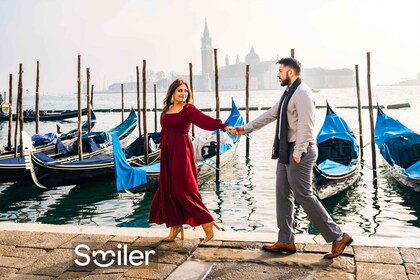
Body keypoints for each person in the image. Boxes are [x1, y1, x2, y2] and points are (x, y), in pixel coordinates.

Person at [230, 57, 353, 259]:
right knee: (282, 193)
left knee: (304, 195)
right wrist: (244, 129)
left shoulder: (303, 93)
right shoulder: (289, 93)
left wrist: (298, 151)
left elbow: (307, 124)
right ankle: (286, 240)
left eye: (281, 70)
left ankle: (338, 236)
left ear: (291, 72)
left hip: (300, 152)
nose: (277, 74)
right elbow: (271, 114)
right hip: (287, 151)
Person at [148, 78, 230, 243]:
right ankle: (175, 227)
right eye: (180, 90)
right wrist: (161, 148)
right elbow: (164, 130)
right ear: (172, 92)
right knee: (168, 189)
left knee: (182, 189)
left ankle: (207, 222)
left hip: (181, 150)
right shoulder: (166, 109)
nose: (183, 94)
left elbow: (206, 121)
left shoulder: (188, 110)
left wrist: (223, 126)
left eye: (185, 91)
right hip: (167, 152)